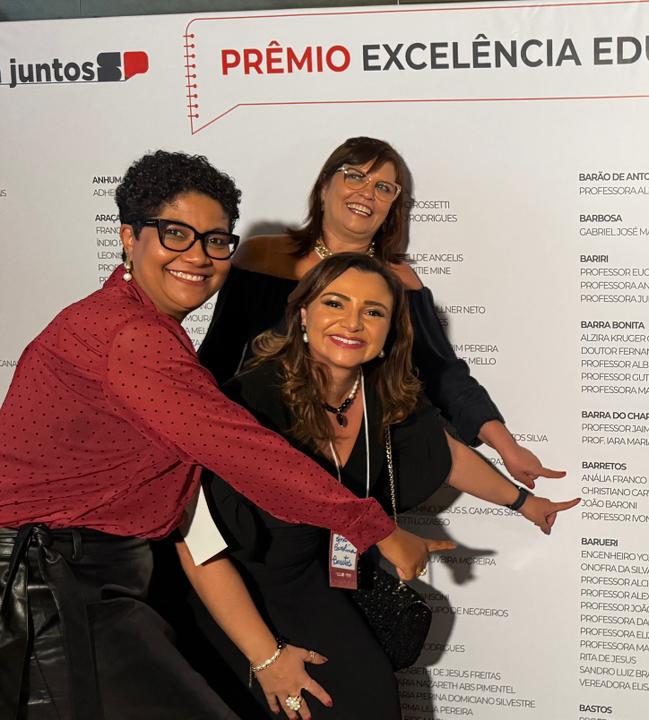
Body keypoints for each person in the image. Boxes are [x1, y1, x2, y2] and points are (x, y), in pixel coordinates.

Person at [0, 151, 443, 719]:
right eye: (175, 233)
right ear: (129, 237)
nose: (198, 256)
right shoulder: (132, 337)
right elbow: (248, 455)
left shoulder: (140, 327)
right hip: (44, 587)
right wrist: (374, 528)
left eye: (215, 241)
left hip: (84, 581)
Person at [183, 253, 579, 718]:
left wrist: (524, 502)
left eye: (373, 311)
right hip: (230, 598)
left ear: (390, 330)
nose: (353, 322)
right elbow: (195, 546)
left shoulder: (378, 394)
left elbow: (444, 454)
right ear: (303, 314)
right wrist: (267, 659)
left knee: (374, 699)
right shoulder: (247, 401)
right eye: (335, 303)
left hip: (308, 583)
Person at [198, 136, 562, 488]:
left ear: (392, 207)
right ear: (324, 186)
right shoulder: (262, 257)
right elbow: (218, 357)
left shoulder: (402, 282)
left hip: (355, 463)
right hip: (260, 453)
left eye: (384, 188)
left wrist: (507, 448)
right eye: (355, 176)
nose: (367, 193)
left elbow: (443, 376)